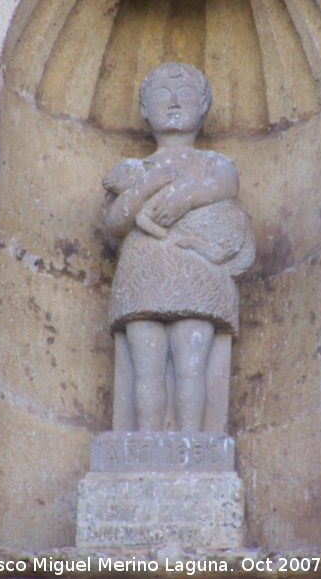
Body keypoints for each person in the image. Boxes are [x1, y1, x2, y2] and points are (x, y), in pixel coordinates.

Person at [104, 62, 254, 431]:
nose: (173, 102)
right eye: (161, 94)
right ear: (144, 109)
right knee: (146, 367)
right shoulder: (132, 168)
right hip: (143, 275)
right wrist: (147, 183)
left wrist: (183, 199)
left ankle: (194, 443)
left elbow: (225, 186)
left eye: (185, 93)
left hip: (196, 272)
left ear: (203, 105)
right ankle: (143, 443)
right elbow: (115, 222)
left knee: (192, 362)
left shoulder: (214, 163)